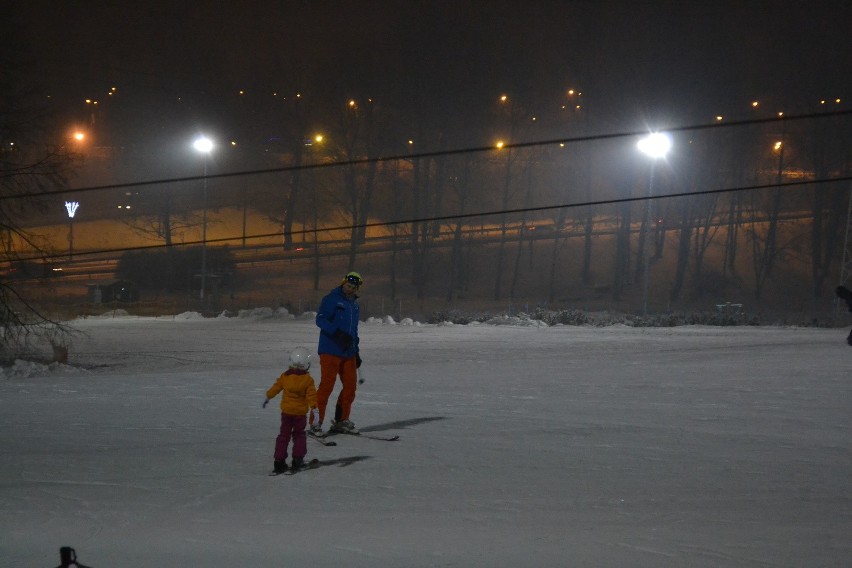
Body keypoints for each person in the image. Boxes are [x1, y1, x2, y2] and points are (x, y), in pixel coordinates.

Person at [312, 271, 363, 435]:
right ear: (343, 283)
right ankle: (315, 423)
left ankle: (341, 420)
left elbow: (354, 329)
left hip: (348, 352)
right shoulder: (332, 299)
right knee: (327, 386)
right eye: (348, 285)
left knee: (350, 386)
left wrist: (356, 351)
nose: (351, 289)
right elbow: (320, 319)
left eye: (354, 287)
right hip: (330, 349)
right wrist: (337, 333)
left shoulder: (354, 305)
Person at [263, 346, 319, 473]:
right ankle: (298, 459)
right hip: (299, 414)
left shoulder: (285, 376)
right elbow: (311, 396)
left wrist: (268, 396)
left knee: (283, 436)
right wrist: (314, 409)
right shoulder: (307, 380)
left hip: (286, 413)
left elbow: (276, 387)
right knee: (299, 435)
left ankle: (279, 461)